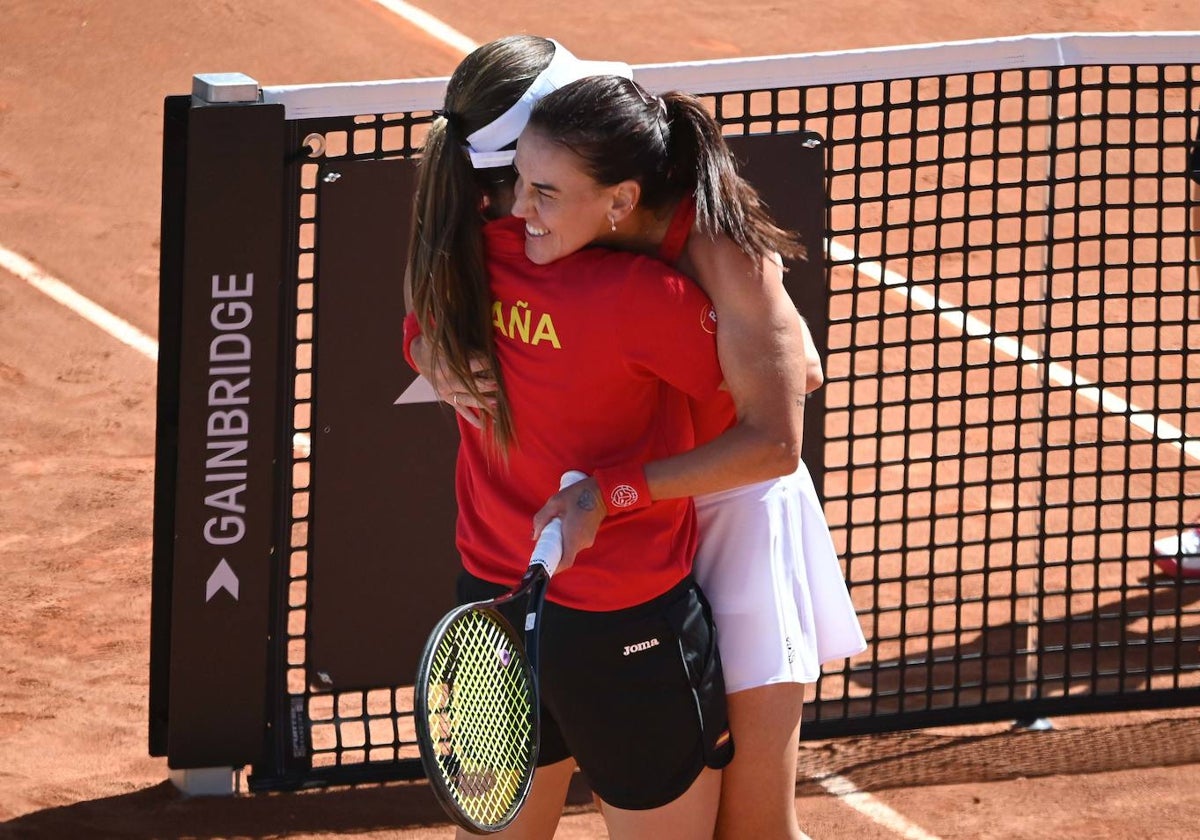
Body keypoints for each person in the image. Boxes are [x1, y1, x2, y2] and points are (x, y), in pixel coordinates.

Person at [407, 38, 866, 839]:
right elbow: (430, 315)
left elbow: (787, 408)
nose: (518, 206)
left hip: (735, 512)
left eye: (541, 188)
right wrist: (437, 354)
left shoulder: (713, 243)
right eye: (519, 182)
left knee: (755, 827)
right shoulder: (503, 224)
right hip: (621, 538)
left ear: (615, 195)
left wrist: (612, 485)